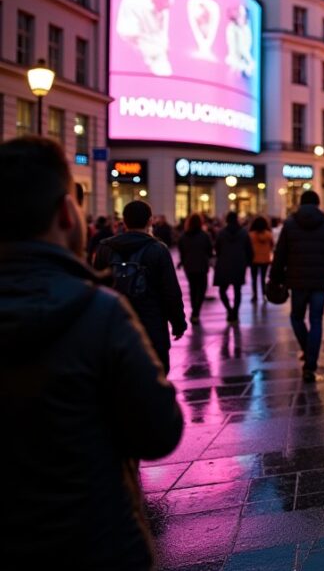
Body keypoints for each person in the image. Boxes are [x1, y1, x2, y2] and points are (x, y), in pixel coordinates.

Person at [0, 136, 184, 569]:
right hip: (96, 541)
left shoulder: (105, 281)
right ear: (67, 213)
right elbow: (160, 430)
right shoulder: (98, 314)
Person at [93, 199, 188, 373]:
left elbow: (95, 289)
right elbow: (170, 291)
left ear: (124, 221)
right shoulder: (158, 250)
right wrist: (178, 323)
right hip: (151, 327)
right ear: (150, 221)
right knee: (156, 382)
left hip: (115, 327)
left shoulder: (105, 248)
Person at [269, 191, 324, 382]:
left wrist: (275, 278)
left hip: (297, 281)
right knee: (316, 320)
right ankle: (310, 363)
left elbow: (280, 255)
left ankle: (307, 349)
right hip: (319, 282)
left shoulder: (290, 225)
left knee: (296, 317)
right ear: (318, 204)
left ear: (300, 204)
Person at [213, 211, 252, 323]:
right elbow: (249, 249)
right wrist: (247, 262)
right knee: (237, 290)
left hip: (224, 264)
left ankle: (229, 310)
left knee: (222, 290)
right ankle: (235, 312)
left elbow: (217, 248)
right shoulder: (244, 233)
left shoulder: (221, 233)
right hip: (239, 264)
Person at [177, 213, 212, 323]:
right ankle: (196, 311)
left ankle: (194, 310)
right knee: (202, 289)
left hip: (189, 266)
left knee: (193, 288)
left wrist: (182, 262)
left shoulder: (184, 236)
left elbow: (181, 251)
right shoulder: (205, 236)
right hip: (202, 265)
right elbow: (210, 251)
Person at [248, 216, 273, 303]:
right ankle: (264, 295)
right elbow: (272, 245)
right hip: (265, 259)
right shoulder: (268, 234)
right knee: (263, 278)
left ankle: (255, 295)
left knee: (254, 278)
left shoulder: (251, 235)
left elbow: (248, 246)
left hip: (253, 259)